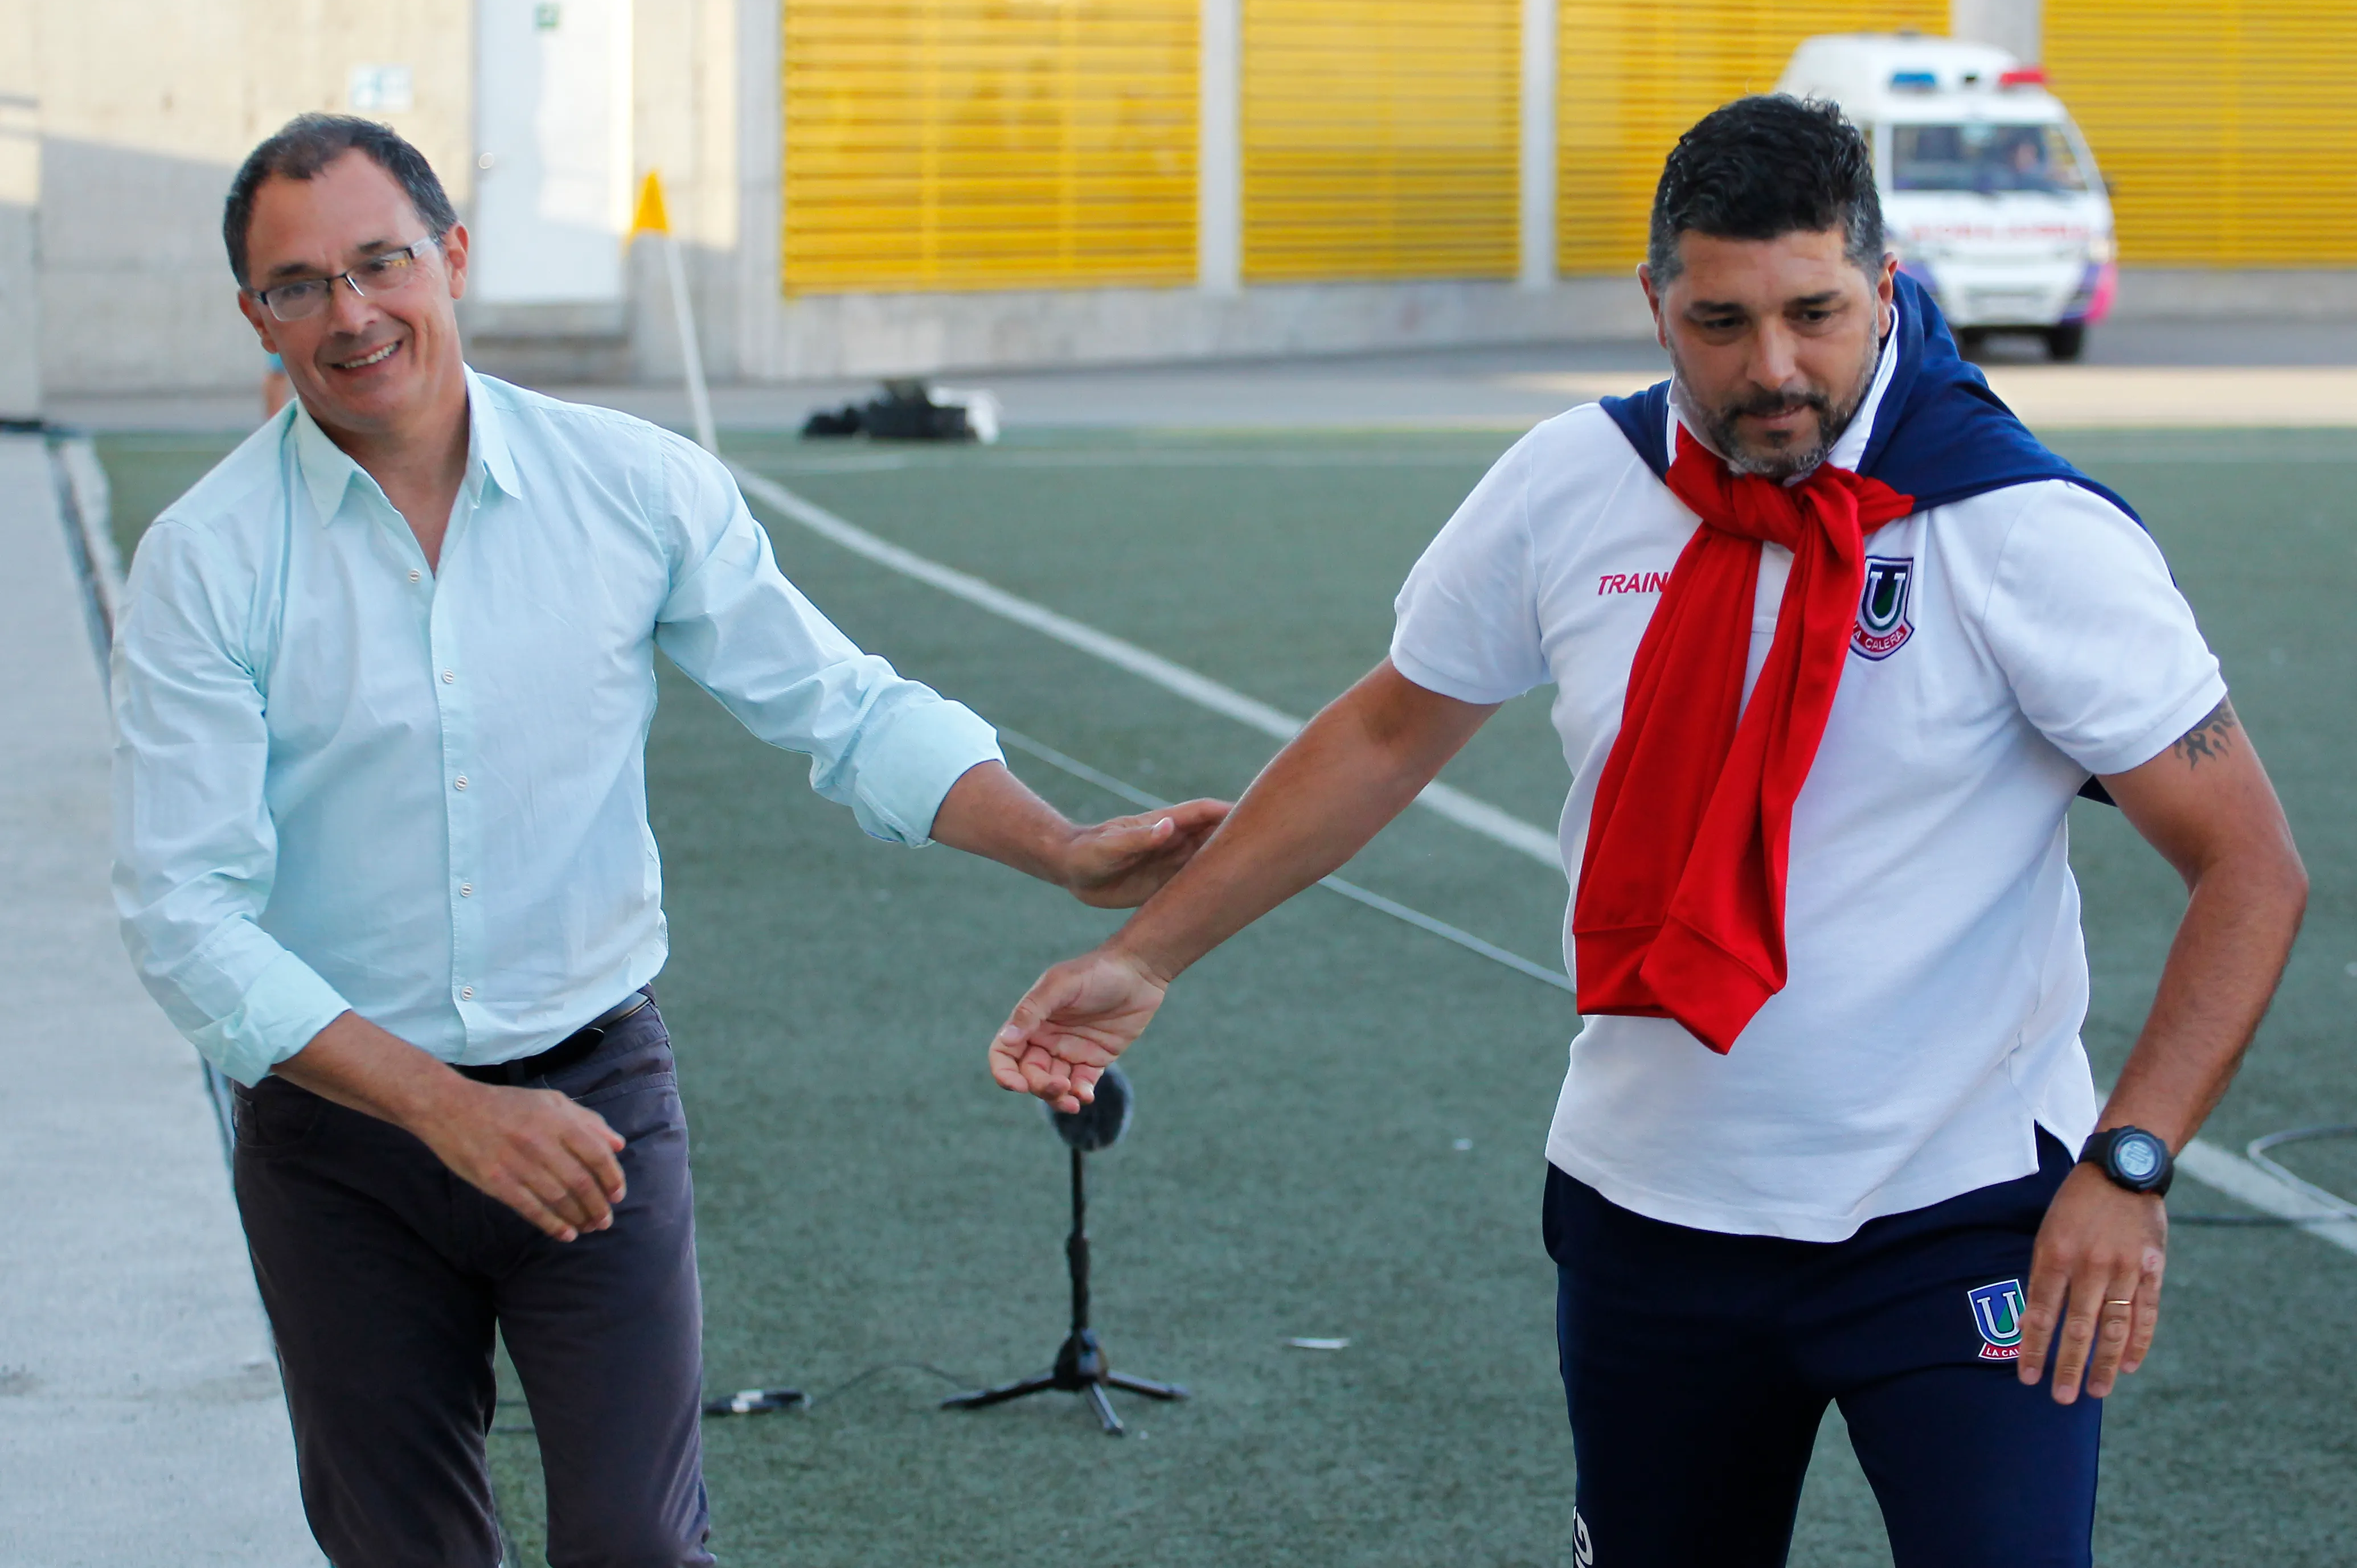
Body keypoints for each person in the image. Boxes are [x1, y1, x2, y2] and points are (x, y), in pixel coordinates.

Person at [987, 96, 2306, 1567]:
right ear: (1656, 303)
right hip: (1651, 1209)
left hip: (1960, 1212)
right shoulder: (1576, 482)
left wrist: (2127, 1163)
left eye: (1815, 312)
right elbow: (1386, 728)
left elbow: (2247, 862)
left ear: (1884, 284)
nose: (1773, 367)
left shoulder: (2018, 527)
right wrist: (1150, 955)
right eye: (1720, 320)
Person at [111, 114, 1227, 1568]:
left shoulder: (631, 486)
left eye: (382, 262)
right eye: (299, 285)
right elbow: (185, 915)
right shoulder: (207, 561)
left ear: (453, 255)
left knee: (639, 1545)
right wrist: (446, 1110)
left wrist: (1062, 847)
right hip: (343, 1135)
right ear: (255, 314)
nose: (352, 314)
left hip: (593, 1094)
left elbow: (840, 706)